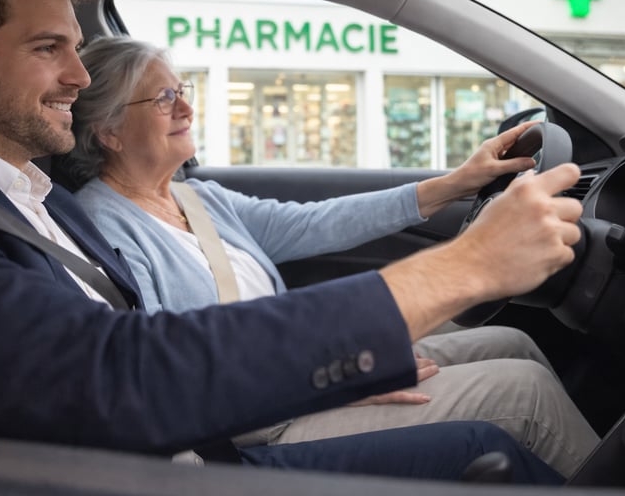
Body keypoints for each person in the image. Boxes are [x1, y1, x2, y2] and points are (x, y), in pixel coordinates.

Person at [0, 0, 582, 484]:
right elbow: (117, 372)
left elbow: (309, 228)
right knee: (503, 417)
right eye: (47, 48)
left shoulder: (35, 195)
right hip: (177, 465)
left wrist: (453, 188)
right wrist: (459, 271)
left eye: (77, 50)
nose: (79, 76)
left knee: (511, 367)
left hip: (198, 445)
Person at [65, 36, 597, 478]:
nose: (185, 107)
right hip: (264, 419)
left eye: (182, 91)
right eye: (163, 98)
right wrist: (331, 381)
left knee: (514, 342)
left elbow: (319, 222)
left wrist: (455, 184)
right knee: (525, 392)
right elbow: (173, 378)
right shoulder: (106, 228)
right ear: (110, 131)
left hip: (307, 370)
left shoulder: (195, 197)